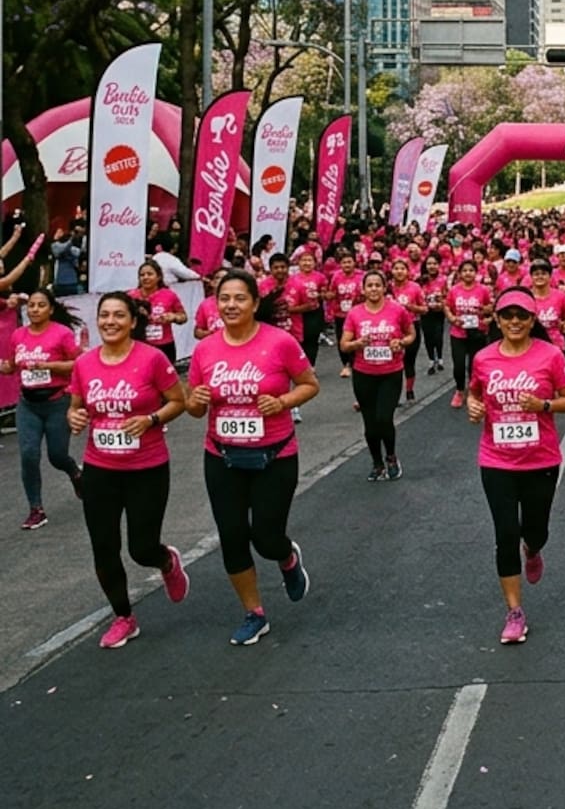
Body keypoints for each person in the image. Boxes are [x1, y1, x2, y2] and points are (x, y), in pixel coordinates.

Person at [186, 270, 320, 646]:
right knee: (231, 535)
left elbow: (310, 384)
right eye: (223, 298)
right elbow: (195, 406)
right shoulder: (205, 349)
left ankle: (287, 557)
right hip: (222, 455)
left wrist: (282, 402)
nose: (230, 305)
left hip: (274, 455)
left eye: (239, 298)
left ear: (255, 304)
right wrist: (194, 402)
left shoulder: (280, 343)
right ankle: (254, 613)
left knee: (265, 537)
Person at [66, 291, 190, 649]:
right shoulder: (85, 363)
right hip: (100, 468)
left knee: (141, 547)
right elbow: (77, 408)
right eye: (104, 315)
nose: (110, 322)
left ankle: (165, 560)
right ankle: (124, 617)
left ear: (133, 321)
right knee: (103, 547)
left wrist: (150, 419)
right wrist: (74, 417)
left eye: (119, 315)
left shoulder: (151, 359)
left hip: (146, 467)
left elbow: (178, 401)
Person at [466, 288, 565, 645]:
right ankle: (514, 611)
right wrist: (474, 407)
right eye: (507, 315)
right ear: (497, 320)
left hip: (540, 458)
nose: (515, 321)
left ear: (533, 320)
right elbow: (475, 394)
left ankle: (534, 548)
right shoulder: (483, 358)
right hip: (496, 459)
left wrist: (542, 405)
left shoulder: (551, 355)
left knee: (535, 530)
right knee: (505, 534)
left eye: (522, 316)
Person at [3, 287, 83, 529]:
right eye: (31, 306)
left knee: (57, 456)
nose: (35, 310)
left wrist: (47, 365)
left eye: (40, 305)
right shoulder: (18, 335)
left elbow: (77, 364)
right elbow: (10, 366)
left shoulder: (62, 334)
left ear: (50, 309)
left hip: (57, 402)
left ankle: (75, 472)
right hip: (28, 404)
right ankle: (35, 509)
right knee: (29, 455)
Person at [341, 268, 415, 481]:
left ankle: (391, 456)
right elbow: (344, 345)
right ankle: (377, 462)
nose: (373, 289)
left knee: (384, 418)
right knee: (370, 424)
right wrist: (357, 343)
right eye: (369, 285)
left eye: (377, 285)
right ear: (363, 289)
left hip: (390, 373)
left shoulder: (397, 310)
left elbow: (411, 334)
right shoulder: (355, 313)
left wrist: (400, 342)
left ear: (384, 288)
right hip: (364, 374)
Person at [446, 258, 493, 409]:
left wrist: (486, 314)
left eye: (471, 270)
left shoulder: (483, 290)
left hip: (477, 333)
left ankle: (475, 392)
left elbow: (491, 307)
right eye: (465, 271)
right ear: (459, 273)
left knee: (474, 365)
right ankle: (460, 390)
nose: (468, 273)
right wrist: (453, 318)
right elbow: (447, 306)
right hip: (458, 333)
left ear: (476, 273)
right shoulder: (454, 290)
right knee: (458, 365)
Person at [130, 259, 187, 364]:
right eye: (142, 275)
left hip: (164, 345)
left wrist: (173, 317)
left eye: (150, 274)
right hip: (139, 345)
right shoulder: (131, 296)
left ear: (159, 277)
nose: (145, 277)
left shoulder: (169, 295)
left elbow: (183, 317)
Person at [389, 257, 428, 402]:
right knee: (394, 361)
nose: (399, 271)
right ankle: (395, 393)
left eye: (402, 269)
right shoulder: (387, 287)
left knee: (409, 360)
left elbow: (424, 309)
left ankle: (409, 390)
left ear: (407, 271)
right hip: (391, 329)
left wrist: (412, 307)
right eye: (396, 268)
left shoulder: (415, 287)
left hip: (412, 326)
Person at [328, 252, 365, 379]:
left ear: (354, 263)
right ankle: (346, 364)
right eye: (344, 262)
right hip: (340, 313)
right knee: (342, 339)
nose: (347, 265)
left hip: (359, 313)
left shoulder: (361, 276)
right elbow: (332, 292)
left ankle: (357, 363)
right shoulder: (336, 276)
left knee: (357, 337)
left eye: (349, 262)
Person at [419, 254, 448, 375]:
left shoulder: (443, 279)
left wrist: (441, 303)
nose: (432, 266)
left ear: (438, 265)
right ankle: (431, 360)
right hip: (426, 313)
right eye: (429, 264)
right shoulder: (421, 279)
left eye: (434, 263)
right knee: (428, 337)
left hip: (438, 313)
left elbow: (447, 296)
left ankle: (440, 359)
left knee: (438, 335)